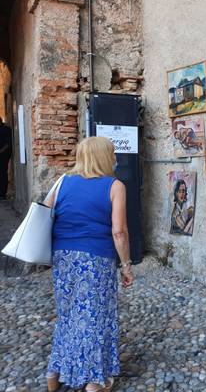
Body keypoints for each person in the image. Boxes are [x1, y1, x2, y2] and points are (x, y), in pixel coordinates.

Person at [43, 137, 134, 392]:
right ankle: (94, 381)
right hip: (96, 259)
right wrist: (126, 264)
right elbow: (119, 232)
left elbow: (43, 213)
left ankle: (55, 372)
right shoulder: (114, 186)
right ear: (104, 157)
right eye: (113, 153)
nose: (115, 157)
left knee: (68, 313)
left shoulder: (61, 182)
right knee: (94, 317)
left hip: (63, 257)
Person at [0, 117, 12, 200]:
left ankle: (2, 194)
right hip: (3, 153)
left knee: (2, 173)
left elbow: (9, 143)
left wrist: (1, 151)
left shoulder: (6, 129)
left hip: (3, 155)